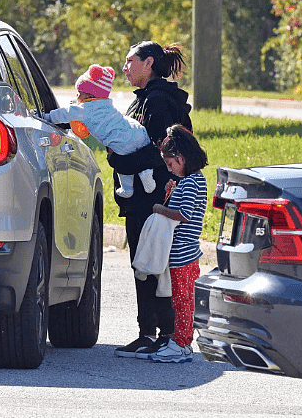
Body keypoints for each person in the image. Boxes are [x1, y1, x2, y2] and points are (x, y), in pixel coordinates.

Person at [113, 41, 194, 359]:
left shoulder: (157, 101)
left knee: (150, 266)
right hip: (148, 199)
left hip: (153, 199)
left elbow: (159, 150)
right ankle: (155, 333)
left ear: (148, 63)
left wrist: (120, 160)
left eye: (130, 60)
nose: (125, 67)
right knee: (150, 265)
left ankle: (160, 334)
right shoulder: (152, 98)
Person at [43, 64, 161, 199]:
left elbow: (65, 113)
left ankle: (127, 189)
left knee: (123, 163)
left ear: (89, 94)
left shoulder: (85, 108)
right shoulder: (106, 104)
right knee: (141, 157)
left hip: (120, 141)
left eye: (79, 91)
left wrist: (47, 117)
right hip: (137, 132)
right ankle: (147, 175)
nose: (77, 95)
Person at [146, 124, 208, 363]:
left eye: (171, 164)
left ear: (181, 158)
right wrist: (172, 190)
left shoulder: (192, 183)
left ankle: (181, 343)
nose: (169, 169)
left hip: (183, 254)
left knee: (183, 302)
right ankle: (181, 343)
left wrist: (160, 209)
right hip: (185, 253)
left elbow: (184, 214)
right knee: (181, 300)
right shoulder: (191, 181)